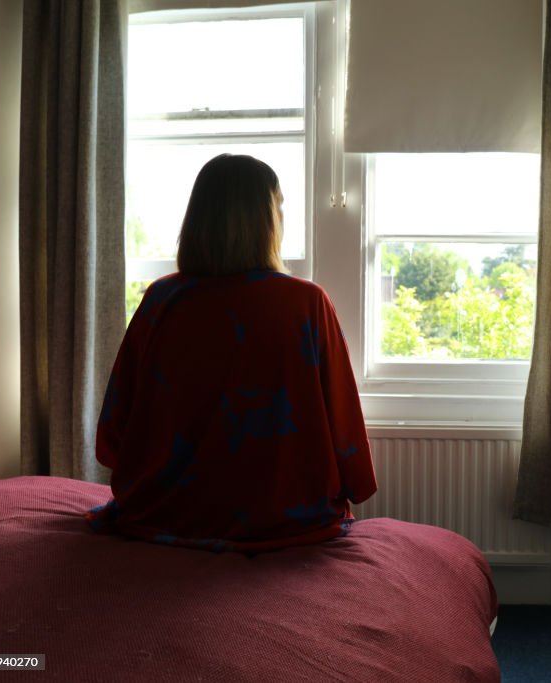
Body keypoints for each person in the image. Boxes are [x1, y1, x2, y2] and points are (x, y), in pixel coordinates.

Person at [86, 154, 377, 553]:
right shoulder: (304, 303)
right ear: (266, 220)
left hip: (164, 513)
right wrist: (353, 482)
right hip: (283, 516)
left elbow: (115, 430)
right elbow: (341, 419)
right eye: (280, 205)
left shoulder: (161, 300)